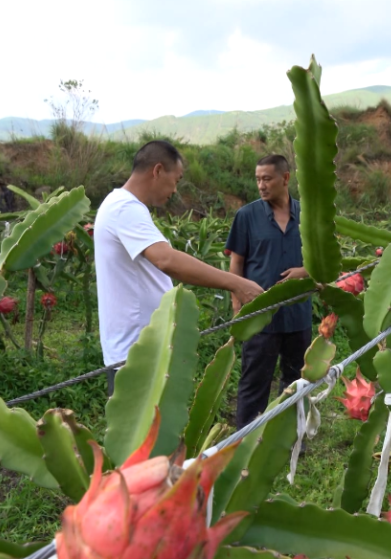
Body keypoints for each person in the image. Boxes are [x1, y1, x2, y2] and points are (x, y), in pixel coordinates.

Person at [94, 140, 264, 395]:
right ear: (158, 170)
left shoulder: (121, 205)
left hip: (144, 350)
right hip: (136, 355)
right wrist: (235, 282)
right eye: (177, 179)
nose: (175, 190)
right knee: (148, 436)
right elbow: (167, 260)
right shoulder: (124, 209)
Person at [225, 154, 312, 430]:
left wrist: (305, 271)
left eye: (267, 179)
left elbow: (322, 261)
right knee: (254, 383)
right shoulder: (246, 216)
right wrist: (238, 309)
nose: (261, 185)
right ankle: (243, 443)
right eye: (258, 179)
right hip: (259, 317)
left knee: (297, 380)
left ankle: (289, 440)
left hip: (298, 316)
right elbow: (236, 263)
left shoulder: (307, 217)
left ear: (285, 178)